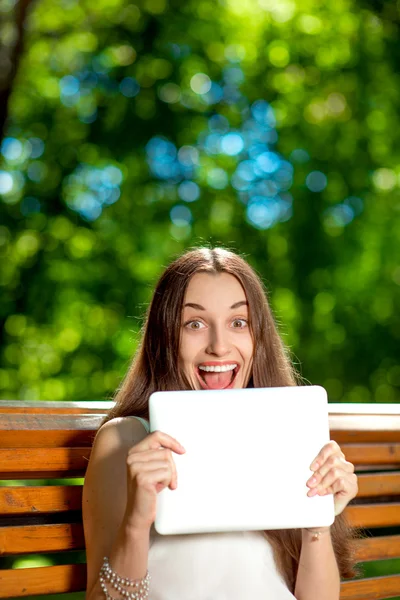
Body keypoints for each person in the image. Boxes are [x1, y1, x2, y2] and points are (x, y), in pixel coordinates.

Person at [82, 247, 358, 600]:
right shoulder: (126, 440)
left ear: (258, 339)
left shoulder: (284, 435)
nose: (219, 346)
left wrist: (317, 522)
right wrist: (136, 524)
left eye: (238, 323)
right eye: (194, 324)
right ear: (165, 337)